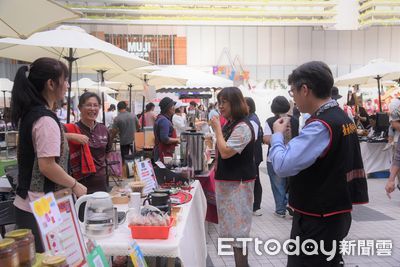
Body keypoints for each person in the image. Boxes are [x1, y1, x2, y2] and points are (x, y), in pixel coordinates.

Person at [270, 61, 368, 266]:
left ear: (305, 90)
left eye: (293, 91)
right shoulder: (342, 117)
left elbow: (282, 166)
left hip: (317, 218)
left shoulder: (321, 125)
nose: (293, 98)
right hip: (335, 212)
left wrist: (277, 137)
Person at [11, 58, 87, 252]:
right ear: (51, 84)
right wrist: (75, 185)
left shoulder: (33, 114)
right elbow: (47, 165)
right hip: (40, 207)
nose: (68, 85)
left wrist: (68, 136)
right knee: (52, 259)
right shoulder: (45, 119)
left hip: (30, 205)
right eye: (65, 79)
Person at [210, 87, 255, 267]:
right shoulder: (231, 123)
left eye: (224, 102)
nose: (220, 106)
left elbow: (226, 151)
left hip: (238, 187)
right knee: (233, 235)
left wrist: (217, 130)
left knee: (239, 235)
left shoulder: (243, 126)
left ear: (235, 103)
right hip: (229, 186)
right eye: (219, 102)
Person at [264, 96, 299, 218]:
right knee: (291, 183)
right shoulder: (295, 120)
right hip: (291, 156)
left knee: (278, 185)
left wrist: (278, 136)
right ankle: (290, 204)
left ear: (273, 108)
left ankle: (280, 210)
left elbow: (266, 139)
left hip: (274, 157)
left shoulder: (270, 121)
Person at [74, 92, 112, 193]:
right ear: (79, 107)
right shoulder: (73, 129)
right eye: (88, 105)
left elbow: (108, 151)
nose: (92, 108)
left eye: (95, 105)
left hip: (101, 182)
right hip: (80, 184)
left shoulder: (103, 129)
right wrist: (70, 136)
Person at [245, 97, 264, 216]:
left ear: (249, 107)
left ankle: (256, 206)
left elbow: (253, 138)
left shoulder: (252, 120)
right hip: (253, 155)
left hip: (254, 156)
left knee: (255, 180)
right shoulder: (250, 118)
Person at [153, 97, 180, 162]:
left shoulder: (161, 118)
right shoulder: (164, 121)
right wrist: (177, 140)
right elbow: (165, 139)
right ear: (168, 108)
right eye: (172, 106)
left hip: (162, 151)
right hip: (163, 153)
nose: (174, 108)